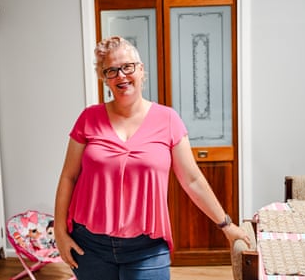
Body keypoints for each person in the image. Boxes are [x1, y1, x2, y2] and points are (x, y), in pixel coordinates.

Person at [54, 36, 250, 280]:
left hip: (146, 248)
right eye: (111, 70)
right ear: (104, 78)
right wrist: (60, 233)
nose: (121, 76)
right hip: (90, 245)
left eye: (127, 67)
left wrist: (227, 225)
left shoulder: (168, 119)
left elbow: (192, 180)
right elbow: (68, 177)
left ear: (141, 70)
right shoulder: (88, 118)